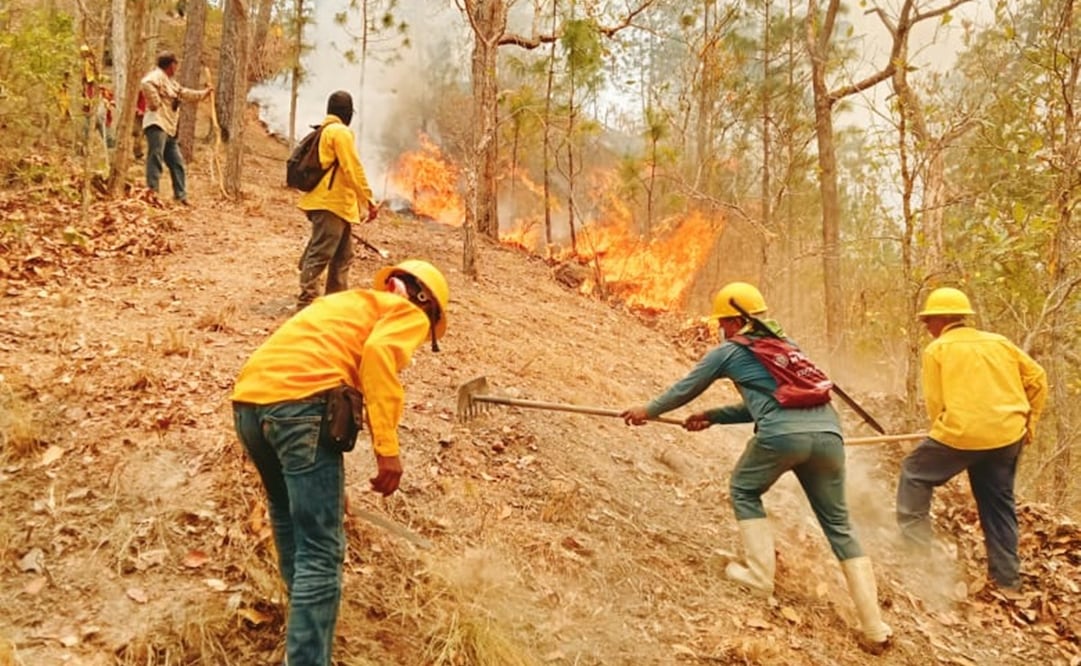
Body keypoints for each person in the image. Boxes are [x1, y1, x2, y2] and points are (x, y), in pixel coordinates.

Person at [621, 282, 891, 648]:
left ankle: (758, 577)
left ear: (733, 321)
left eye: (722, 322)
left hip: (782, 437)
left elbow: (687, 387)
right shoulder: (788, 349)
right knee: (839, 526)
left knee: (744, 489)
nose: (720, 329)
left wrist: (647, 411)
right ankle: (875, 630)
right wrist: (714, 416)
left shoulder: (729, 352)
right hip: (830, 437)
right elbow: (771, 401)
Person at [231, 259, 449, 666]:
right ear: (426, 303)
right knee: (320, 549)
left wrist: (324, 488)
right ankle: (309, 656)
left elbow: (316, 365)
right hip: (300, 407)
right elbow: (380, 356)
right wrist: (388, 449)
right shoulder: (409, 313)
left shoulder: (348, 304)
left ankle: (304, 627)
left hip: (248, 404)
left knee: (287, 513)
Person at [897, 287, 1047, 590]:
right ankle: (1007, 581)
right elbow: (1037, 379)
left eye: (928, 321)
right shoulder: (1000, 343)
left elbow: (936, 403)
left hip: (961, 434)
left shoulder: (937, 350)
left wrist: (941, 430)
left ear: (942, 320)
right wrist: (1028, 424)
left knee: (914, 473)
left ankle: (917, 560)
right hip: (1007, 436)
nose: (926, 327)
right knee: (997, 502)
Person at [295, 90, 380, 311]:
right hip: (330, 204)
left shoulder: (325, 130)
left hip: (334, 205)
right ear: (347, 113)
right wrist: (369, 200)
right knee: (321, 253)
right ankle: (306, 303)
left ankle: (335, 305)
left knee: (343, 257)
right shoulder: (340, 132)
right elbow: (352, 168)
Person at [140, 51, 210, 205]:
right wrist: (154, 102)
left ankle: (181, 196)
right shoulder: (157, 75)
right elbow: (146, 83)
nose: (177, 67)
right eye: (175, 64)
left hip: (169, 128)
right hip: (157, 124)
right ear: (171, 65)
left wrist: (204, 94)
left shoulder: (171, 82)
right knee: (155, 158)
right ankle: (152, 192)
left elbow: (185, 93)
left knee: (177, 162)